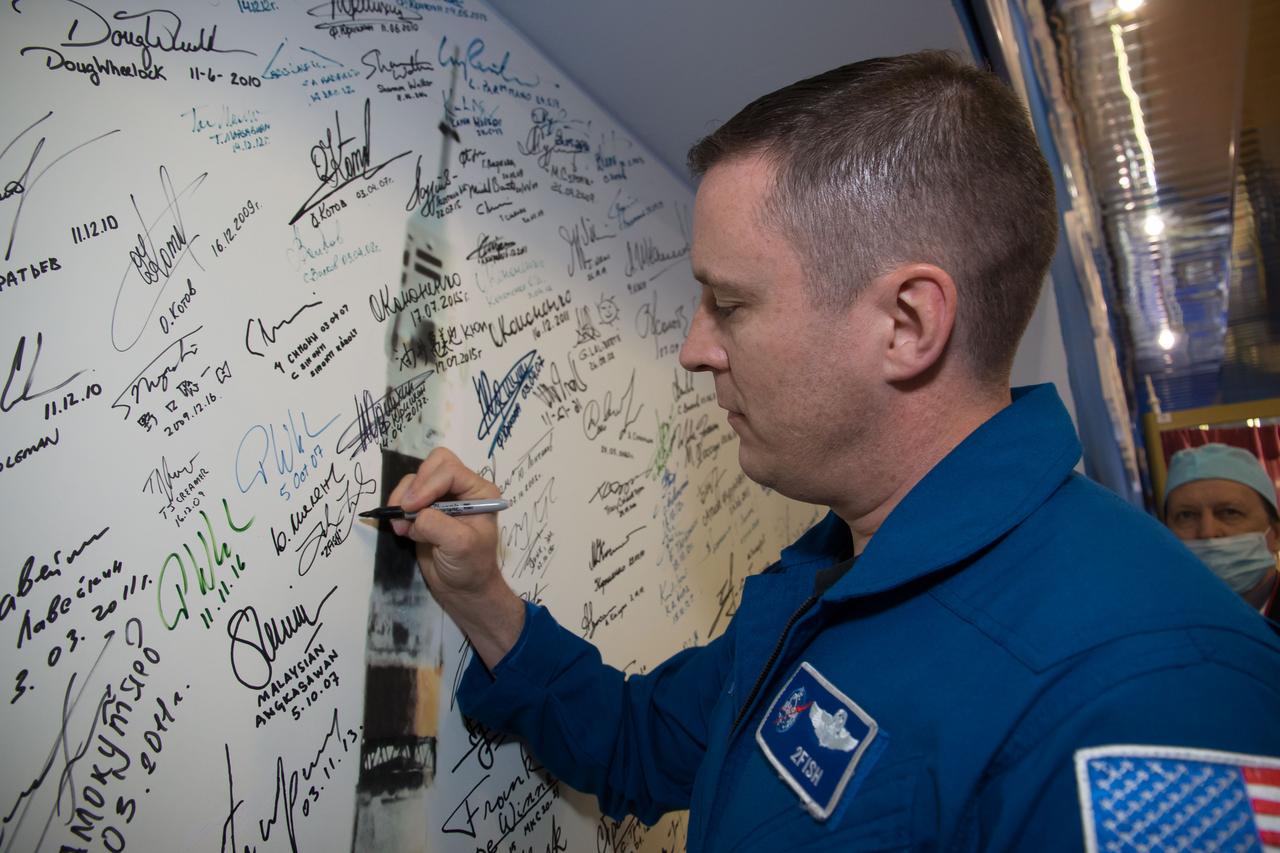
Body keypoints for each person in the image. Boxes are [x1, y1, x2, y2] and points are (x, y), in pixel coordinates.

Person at [386, 52, 1280, 851]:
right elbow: (642, 744)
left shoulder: (1160, 693)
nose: (696, 348)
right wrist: (485, 599)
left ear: (907, 324)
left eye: (729, 304)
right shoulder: (833, 573)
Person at [1163, 442, 1280, 617]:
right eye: (1186, 515)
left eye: (1229, 512)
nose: (1207, 532)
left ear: (1276, 534)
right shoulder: (1154, 622)